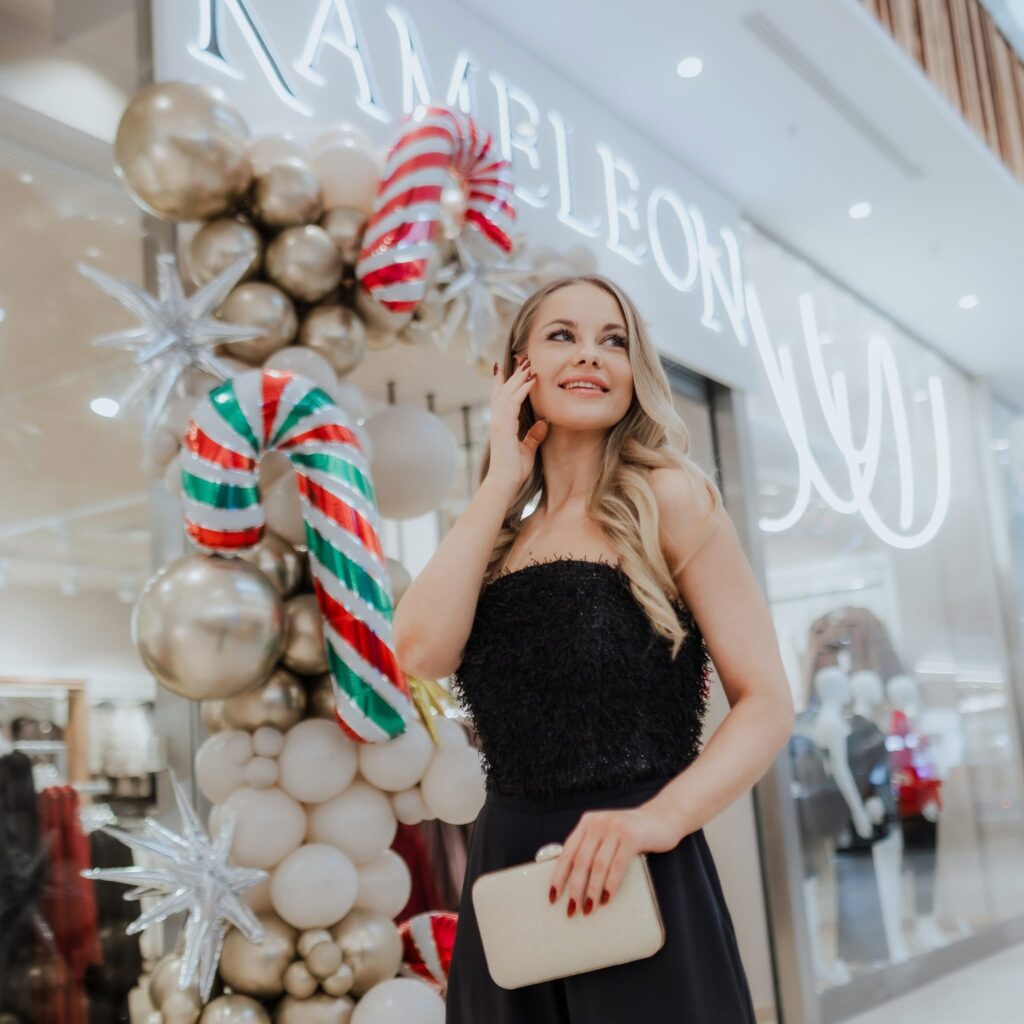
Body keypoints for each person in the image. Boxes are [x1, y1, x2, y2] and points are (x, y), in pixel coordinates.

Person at [393, 274, 794, 1022]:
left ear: (634, 370)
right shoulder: (497, 538)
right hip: (508, 880)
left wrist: (659, 820)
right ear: (517, 371)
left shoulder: (670, 498)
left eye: (614, 341)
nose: (590, 355)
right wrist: (499, 482)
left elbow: (768, 702)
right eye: (562, 336)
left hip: (636, 866)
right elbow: (417, 651)